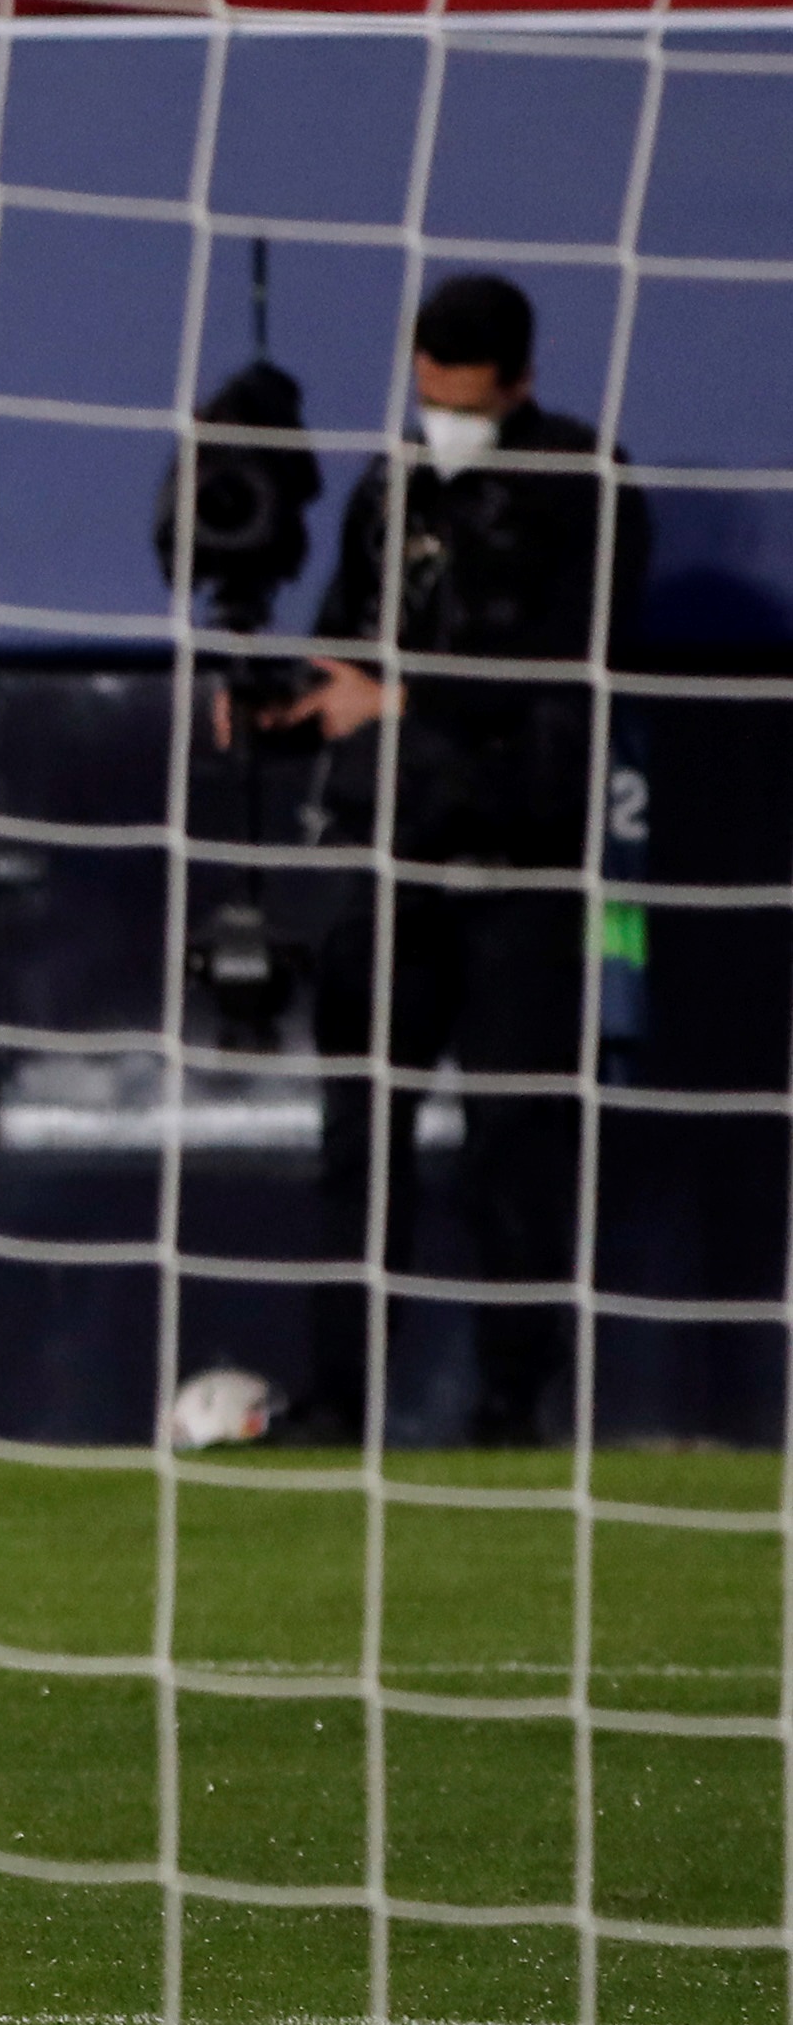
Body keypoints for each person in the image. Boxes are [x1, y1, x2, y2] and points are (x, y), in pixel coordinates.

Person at [272, 271, 647, 1449]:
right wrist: (288, 700)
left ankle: (510, 1403)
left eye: (466, 403)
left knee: (514, 1150)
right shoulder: (391, 483)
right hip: (392, 865)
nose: (444, 421)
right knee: (358, 1144)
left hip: (518, 872)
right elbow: (341, 635)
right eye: (430, 397)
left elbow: (569, 659)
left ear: (520, 382)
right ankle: (339, 1396)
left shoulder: (585, 483)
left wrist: (405, 698)